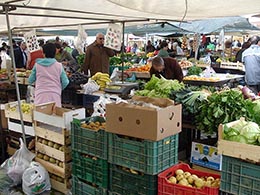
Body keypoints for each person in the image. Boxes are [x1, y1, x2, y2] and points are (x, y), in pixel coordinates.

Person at [28, 42, 69, 107]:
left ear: (44, 53)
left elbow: (30, 80)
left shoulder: (37, 65)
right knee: (54, 115)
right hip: (55, 94)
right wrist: (58, 88)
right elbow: (65, 82)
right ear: (55, 53)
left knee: (40, 114)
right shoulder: (59, 66)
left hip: (40, 94)